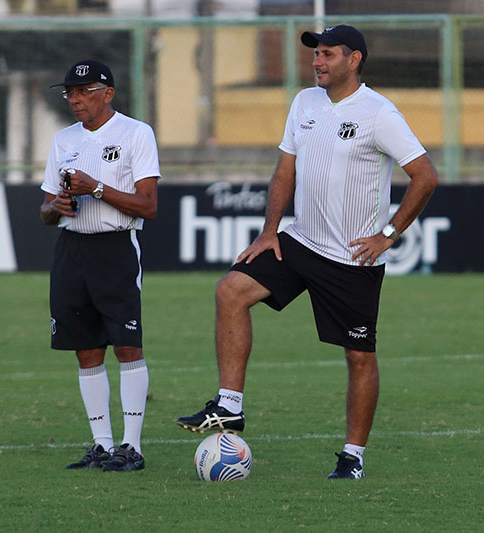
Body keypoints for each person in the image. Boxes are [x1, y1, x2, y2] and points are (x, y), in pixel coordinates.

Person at [176, 25, 438, 479]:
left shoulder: (379, 113)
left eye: (328, 54)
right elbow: (285, 169)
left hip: (352, 258)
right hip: (300, 241)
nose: (317, 61)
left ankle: (352, 455)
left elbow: (426, 176)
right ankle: (229, 406)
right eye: (316, 54)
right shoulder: (304, 103)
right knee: (230, 292)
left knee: (359, 357)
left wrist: (388, 234)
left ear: (354, 60)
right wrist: (269, 231)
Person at [40, 59, 160, 472]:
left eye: (84, 91)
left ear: (107, 93)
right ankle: (102, 445)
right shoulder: (63, 139)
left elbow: (149, 205)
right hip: (71, 250)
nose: (74, 99)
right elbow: (44, 209)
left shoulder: (135, 133)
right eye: (69, 93)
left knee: (127, 346)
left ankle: (132, 447)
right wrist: (55, 205)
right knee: (85, 349)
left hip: (115, 249)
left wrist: (97, 188)